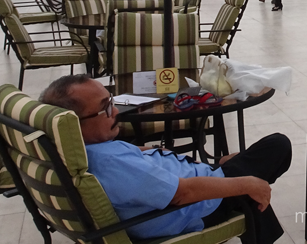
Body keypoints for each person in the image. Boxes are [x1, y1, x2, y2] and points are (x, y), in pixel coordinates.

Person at [39, 75, 291, 243]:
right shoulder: (110, 164)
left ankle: (246, 201)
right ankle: (249, 210)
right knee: (277, 147)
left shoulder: (85, 152)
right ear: (74, 125)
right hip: (196, 206)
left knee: (246, 169)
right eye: (105, 108)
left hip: (194, 183)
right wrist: (246, 183)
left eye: (112, 102)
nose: (115, 111)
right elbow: (182, 194)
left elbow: (146, 163)